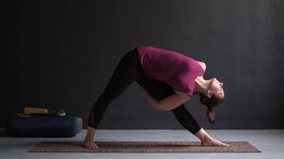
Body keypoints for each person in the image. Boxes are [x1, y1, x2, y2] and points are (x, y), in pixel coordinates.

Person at [84, 46, 229, 149]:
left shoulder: (185, 92)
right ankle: (89, 138)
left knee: (179, 109)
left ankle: (205, 138)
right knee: (109, 95)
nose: (222, 83)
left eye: (220, 89)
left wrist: (148, 91)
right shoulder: (202, 66)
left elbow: (160, 105)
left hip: (148, 76)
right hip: (136, 58)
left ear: (209, 94)